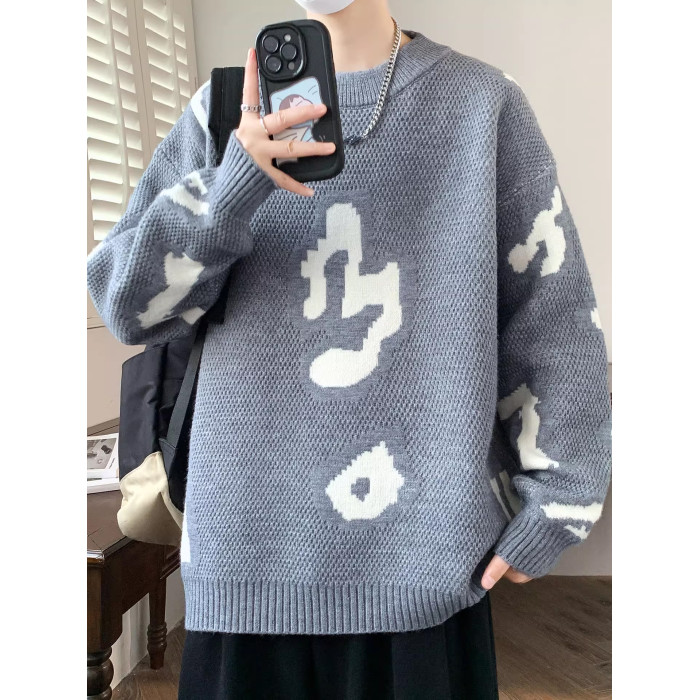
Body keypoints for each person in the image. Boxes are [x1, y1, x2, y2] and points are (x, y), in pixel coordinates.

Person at [86, 0, 612, 697]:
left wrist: (562, 499)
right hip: (247, 563)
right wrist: (230, 187)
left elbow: (553, 316)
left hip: (424, 568)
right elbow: (126, 305)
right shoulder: (221, 111)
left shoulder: (483, 106)